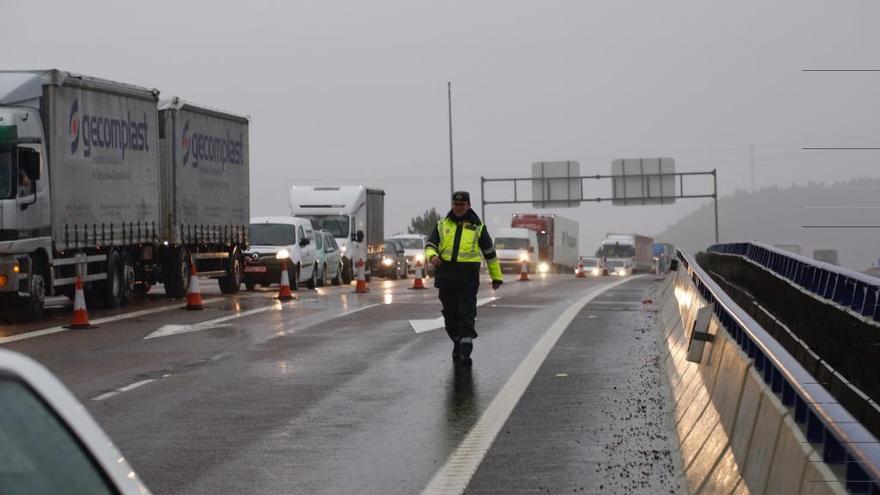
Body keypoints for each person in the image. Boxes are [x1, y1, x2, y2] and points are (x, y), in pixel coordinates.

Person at [425, 191, 503, 364]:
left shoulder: (478, 227)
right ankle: (457, 340)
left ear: (468, 205)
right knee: (450, 315)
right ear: (452, 205)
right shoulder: (441, 225)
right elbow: (430, 245)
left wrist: (496, 277)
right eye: (456, 205)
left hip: (468, 277)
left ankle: (466, 343)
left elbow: (489, 253)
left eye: (462, 205)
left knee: (466, 312)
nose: (458, 208)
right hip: (446, 276)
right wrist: (432, 256)